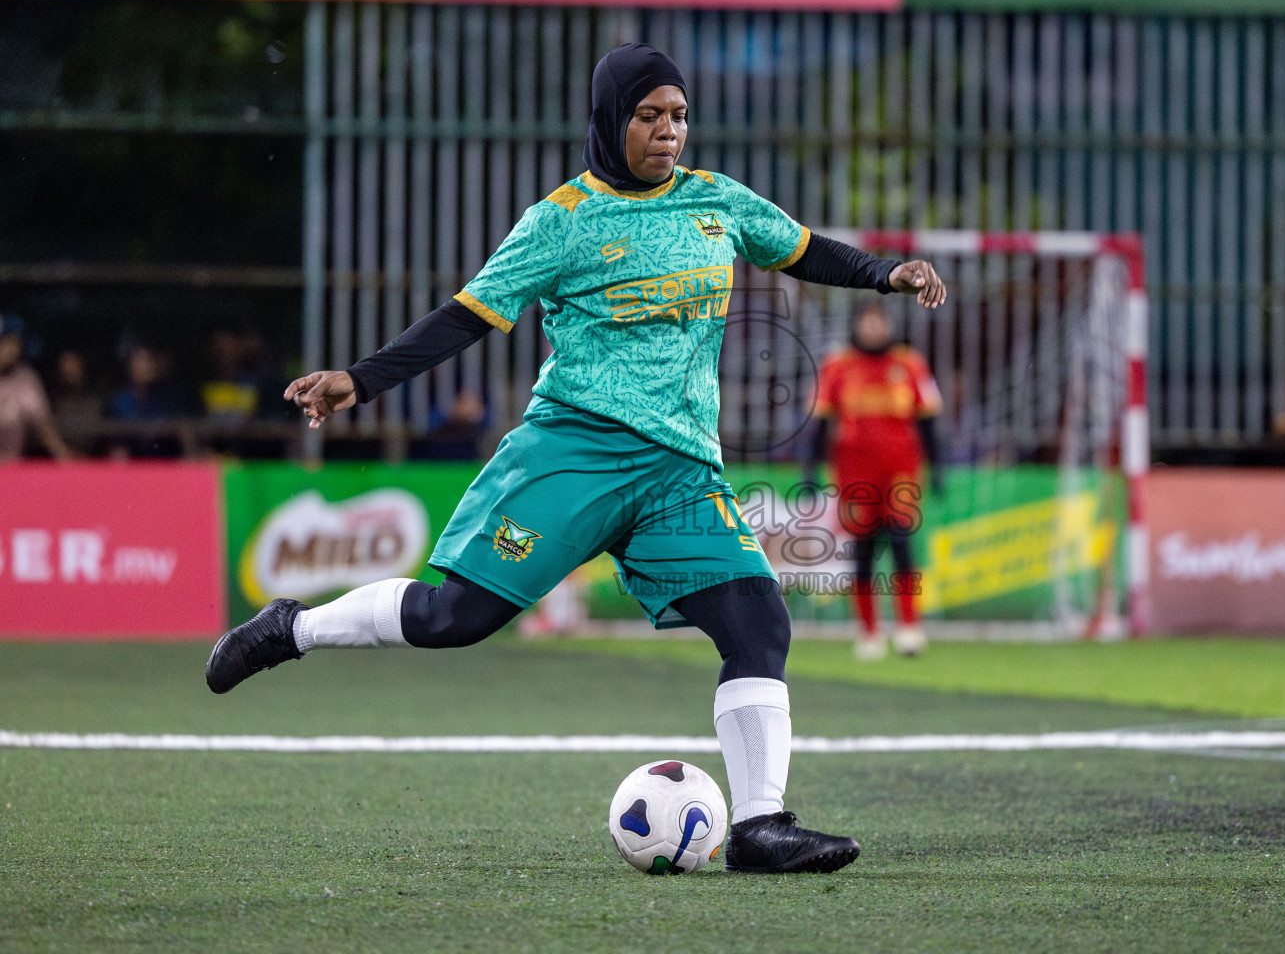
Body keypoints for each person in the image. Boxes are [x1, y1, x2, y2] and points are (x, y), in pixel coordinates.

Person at [204, 43, 946, 875]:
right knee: (457, 620)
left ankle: (760, 826)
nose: (669, 132)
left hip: (680, 472)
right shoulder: (560, 219)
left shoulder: (716, 201)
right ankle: (292, 628)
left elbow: (803, 248)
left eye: (679, 115)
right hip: (574, 451)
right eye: (648, 115)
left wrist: (887, 274)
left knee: (757, 620)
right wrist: (360, 381)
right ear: (609, 119)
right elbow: (467, 315)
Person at [803, 302, 943, 661]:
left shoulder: (909, 364)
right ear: (857, 326)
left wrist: (938, 467)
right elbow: (819, 424)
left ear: (888, 325)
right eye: (867, 322)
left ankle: (909, 628)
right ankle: (868, 632)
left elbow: (927, 421)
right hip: (855, 474)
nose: (873, 329)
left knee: (901, 544)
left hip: (900, 472)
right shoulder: (838, 366)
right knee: (863, 550)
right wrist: (809, 471)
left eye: (879, 322)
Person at [0, 315, 71, 463]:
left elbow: (43, 425)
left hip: (12, 466)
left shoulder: (25, 377)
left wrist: (63, 456)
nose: (13, 350)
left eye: (16, 343)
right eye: (7, 342)